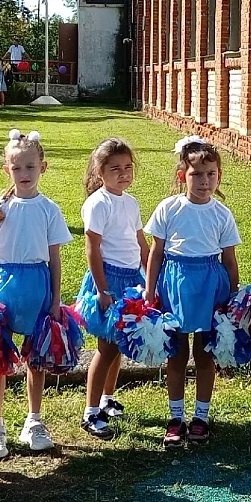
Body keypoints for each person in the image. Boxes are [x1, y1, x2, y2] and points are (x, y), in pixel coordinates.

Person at [0, 129, 73, 458]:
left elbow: (55, 258)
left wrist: (55, 300)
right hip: (3, 287)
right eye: (17, 168)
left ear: (42, 167)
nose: (24, 173)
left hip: (38, 287)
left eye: (30, 167)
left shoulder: (49, 209)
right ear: (7, 169)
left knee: (37, 357)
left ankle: (34, 420)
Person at [144, 137, 241, 448]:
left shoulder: (222, 214)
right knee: (176, 352)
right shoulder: (168, 208)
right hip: (175, 283)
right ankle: (176, 418)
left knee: (204, 352)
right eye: (196, 174)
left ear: (219, 176)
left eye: (211, 174)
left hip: (210, 285)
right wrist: (149, 290)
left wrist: (234, 296)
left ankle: (200, 417)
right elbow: (156, 253)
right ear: (181, 175)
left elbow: (229, 259)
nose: (204, 181)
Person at [76, 138, 148, 440]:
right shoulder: (98, 203)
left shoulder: (130, 202)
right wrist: (103, 290)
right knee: (105, 348)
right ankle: (90, 411)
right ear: (100, 171)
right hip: (108, 280)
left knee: (118, 345)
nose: (123, 174)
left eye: (127, 167)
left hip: (132, 281)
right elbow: (92, 249)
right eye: (115, 168)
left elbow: (141, 243)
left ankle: (107, 399)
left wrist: (150, 278)